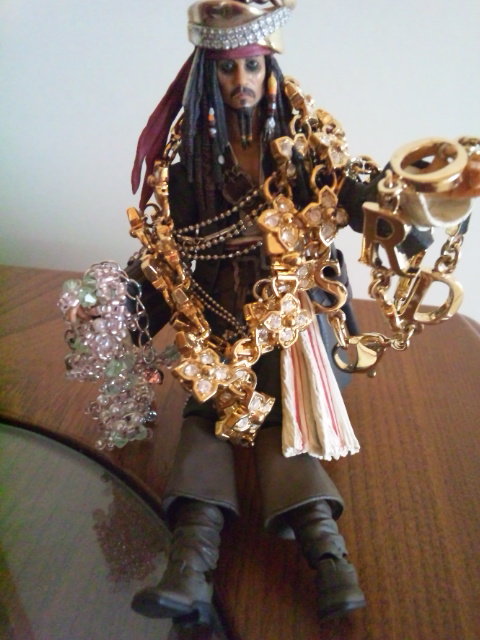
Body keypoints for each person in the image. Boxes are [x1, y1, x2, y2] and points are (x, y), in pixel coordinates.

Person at [59, 0, 479, 628]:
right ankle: (190, 565)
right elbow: (166, 258)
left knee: (286, 430)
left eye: (252, 65)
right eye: (228, 68)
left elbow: (355, 194)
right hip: (216, 324)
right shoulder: (189, 166)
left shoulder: (302, 151)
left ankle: (330, 560)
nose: (242, 81)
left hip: (293, 328)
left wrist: (411, 208)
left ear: (269, 66)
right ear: (208, 74)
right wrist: (122, 312)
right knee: (205, 424)